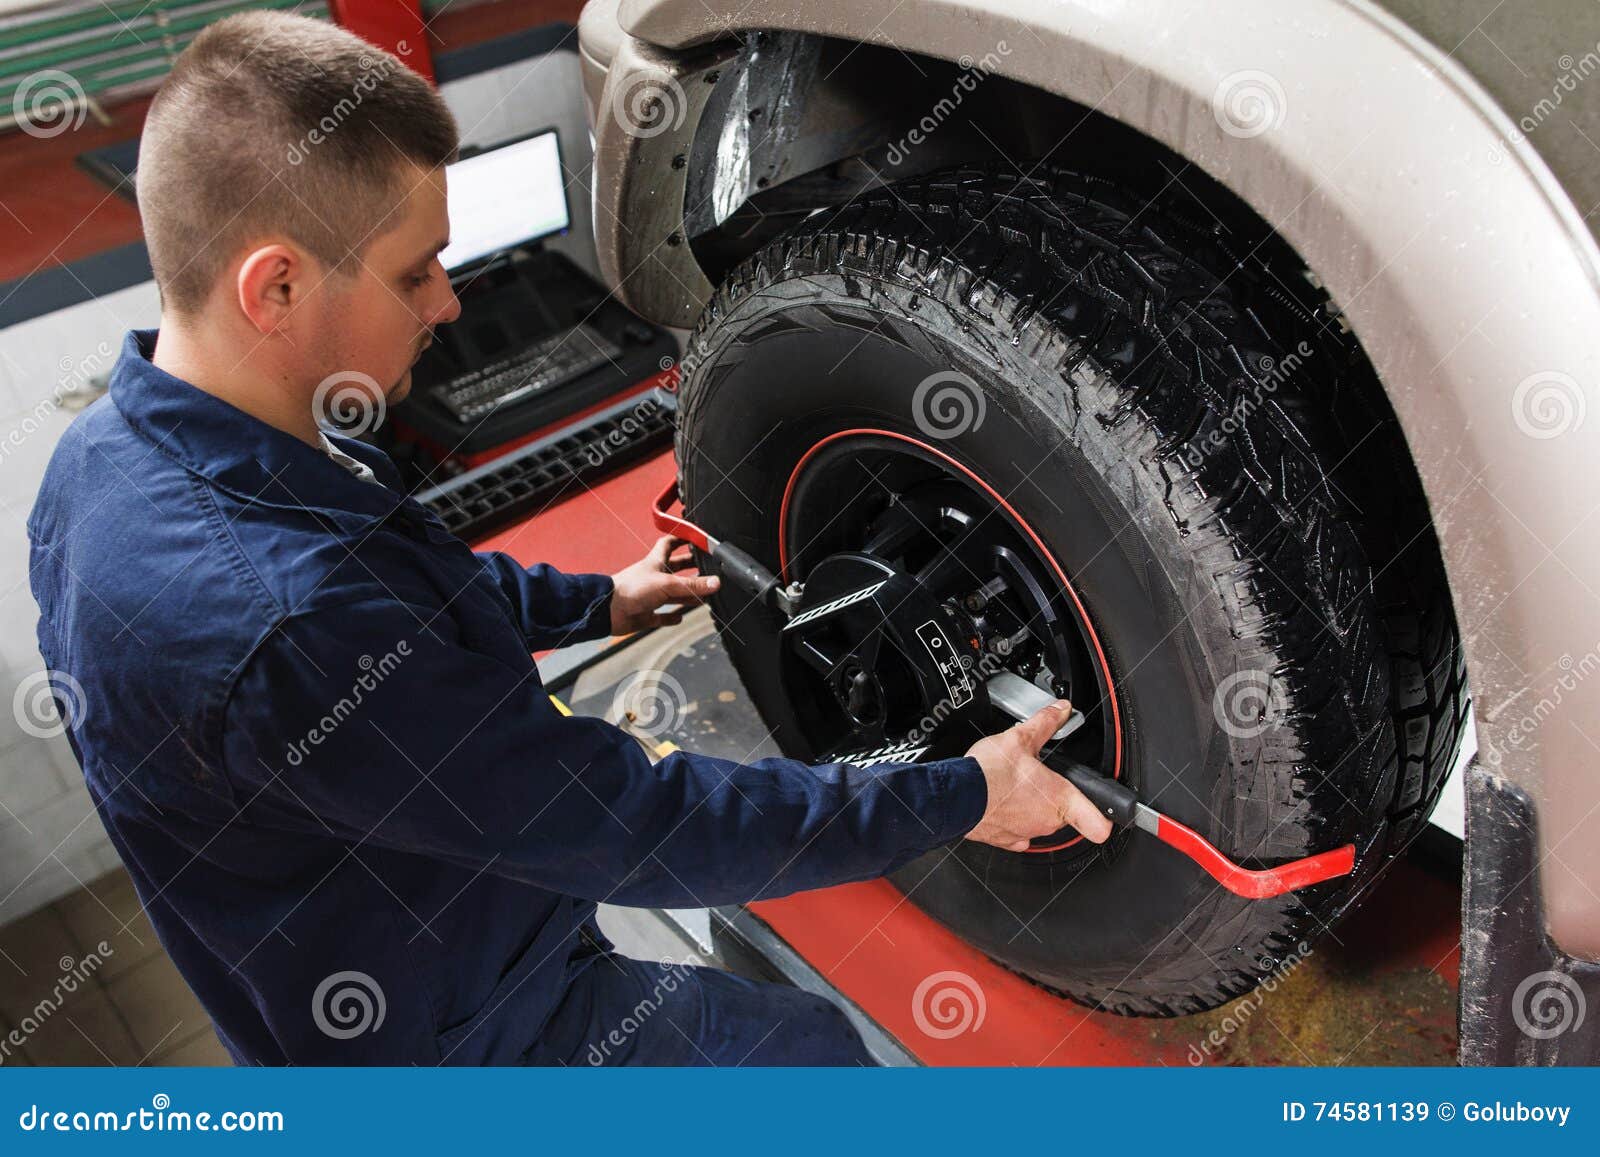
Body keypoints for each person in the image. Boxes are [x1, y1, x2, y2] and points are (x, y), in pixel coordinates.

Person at [26, 12, 1110, 1066]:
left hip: (357, 942)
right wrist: (960, 794)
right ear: (275, 285)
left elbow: (409, 595)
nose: (448, 303)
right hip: (458, 1037)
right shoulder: (289, 628)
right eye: (415, 271)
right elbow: (639, 822)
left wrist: (590, 601)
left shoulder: (104, 457)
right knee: (808, 1058)